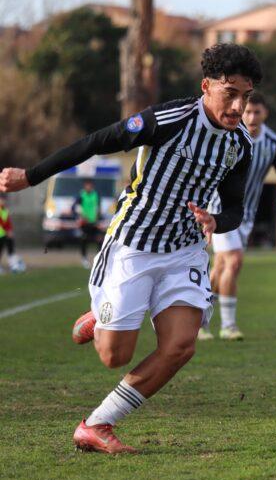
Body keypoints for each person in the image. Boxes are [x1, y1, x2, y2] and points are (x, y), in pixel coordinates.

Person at [0, 43, 260, 454]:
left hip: (184, 251)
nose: (238, 106)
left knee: (181, 346)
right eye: (230, 93)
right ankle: (101, 317)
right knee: (114, 356)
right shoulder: (168, 119)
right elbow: (96, 141)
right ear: (206, 86)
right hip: (133, 243)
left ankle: (97, 424)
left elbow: (234, 209)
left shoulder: (240, 145)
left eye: (245, 96)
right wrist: (30, 176)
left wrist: (215, 221)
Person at [198, 92, 276, 341]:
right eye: (247, 112)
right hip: (220, 209)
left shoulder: (273, 144)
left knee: (221, 268)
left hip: (246, 214)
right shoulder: (228, 135)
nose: (251, 117)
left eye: (256, 112)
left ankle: (199, 320)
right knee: (234, 262)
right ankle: (228, 326)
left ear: (265, 114)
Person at [74, 179, 102, 268]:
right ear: (85, 186)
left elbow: (98, 207)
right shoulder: (81, 195)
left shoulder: (96, 195)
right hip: (84, 222)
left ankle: (99, 258)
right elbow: (76, 207)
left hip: (94, 222)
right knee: (84, 240)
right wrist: (81, 216)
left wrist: (98, 217)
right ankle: (84, 259)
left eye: (90, 185)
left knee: (99, 240)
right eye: (87, 185)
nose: (89, 187)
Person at [0, 194, 24, 273]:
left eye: (4, 199)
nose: (4, 201)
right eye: (2, 199)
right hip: (2, 233)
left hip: (4, 234)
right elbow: (1, 222)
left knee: (11, 247)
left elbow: (8, 222)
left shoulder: (5, 210)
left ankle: (14, 265)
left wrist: (10, 230)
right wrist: (7, 230)